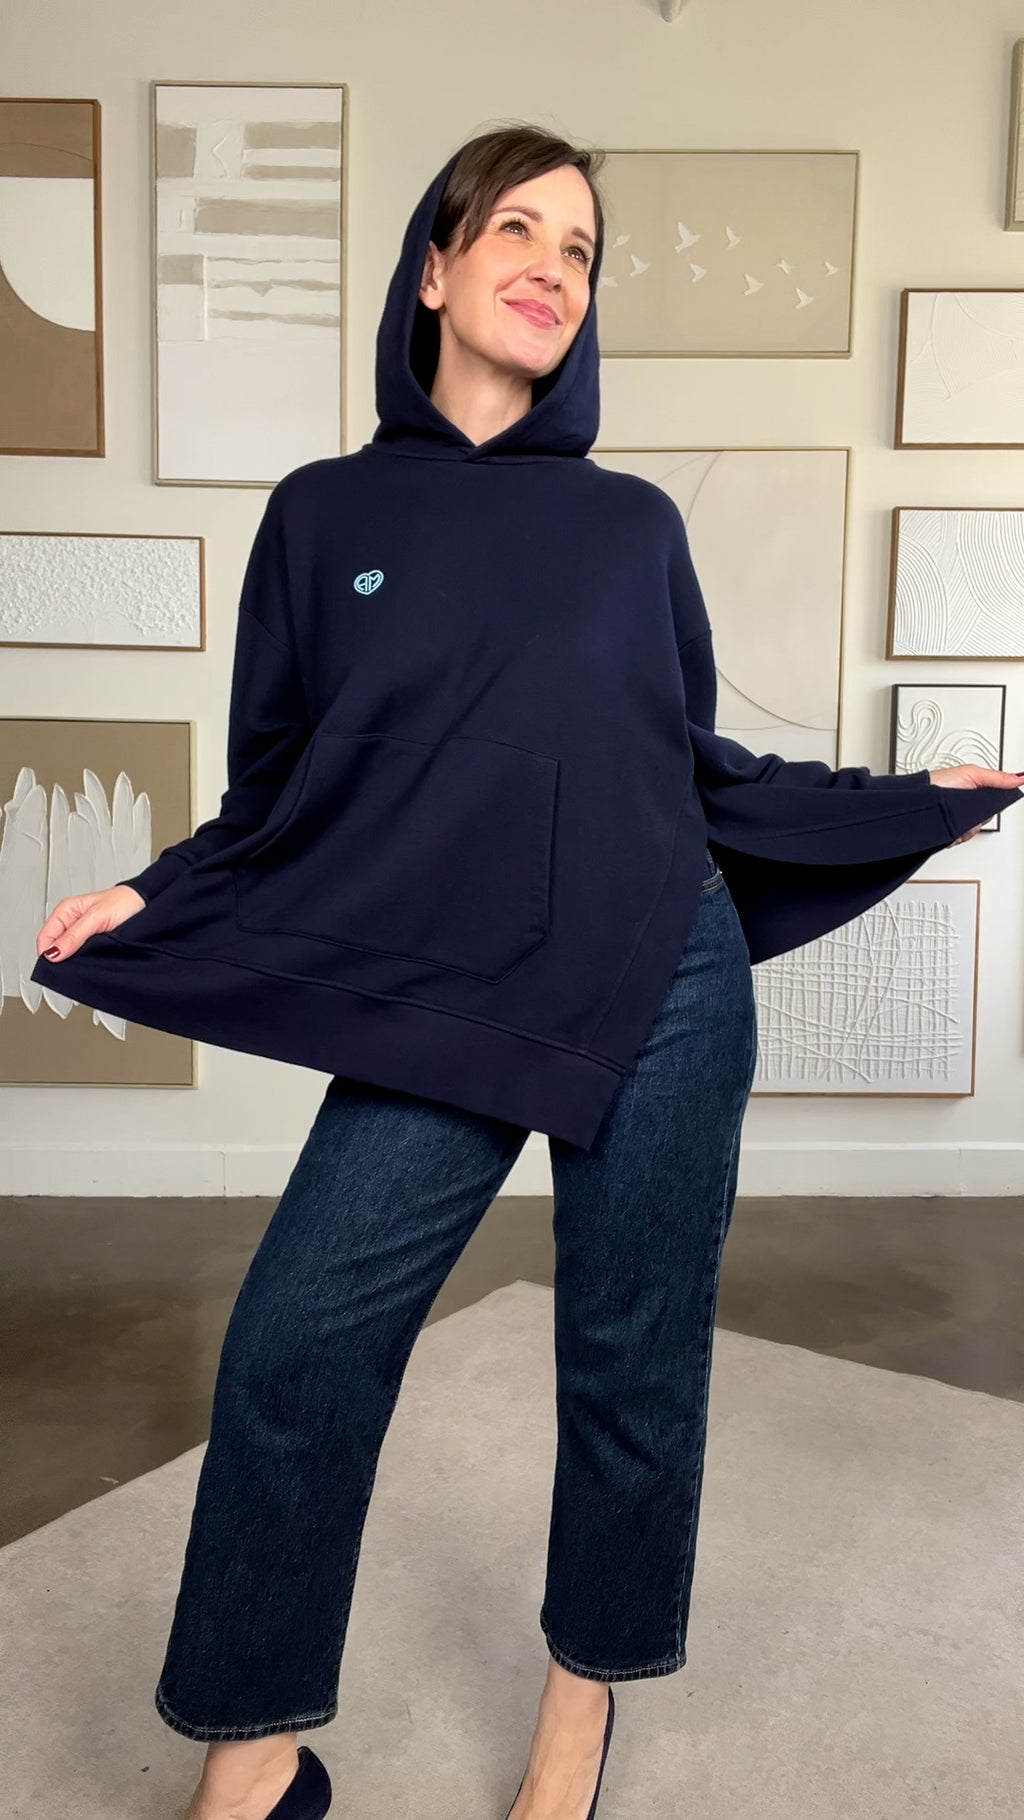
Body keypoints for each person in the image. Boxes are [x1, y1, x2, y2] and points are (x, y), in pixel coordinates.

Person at [32, 123, 1024, 1820]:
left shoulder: (629, 528)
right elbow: (280, 786)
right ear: (432, 268)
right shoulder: (323, 515)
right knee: (295, 1342)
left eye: (581, 250)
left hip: (662, 968)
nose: (553, 267)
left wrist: (898, 799)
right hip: (448, 975)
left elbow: (691, 765)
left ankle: (580, 1720)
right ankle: (254, 1760)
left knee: (632, 1354)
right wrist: (154, 886)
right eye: (518, 230)